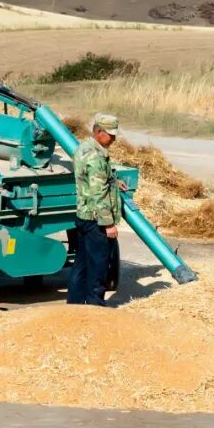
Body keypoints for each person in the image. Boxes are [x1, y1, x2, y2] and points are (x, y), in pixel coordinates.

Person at [70, 113, 126, 306]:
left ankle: (75, 306)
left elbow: (91, 180)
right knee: (98, 268)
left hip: (83, 215)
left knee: (81, 266)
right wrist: (108, 224)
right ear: (99, 132)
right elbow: (99, 193)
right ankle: (95, 308)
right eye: (111, 134)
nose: (114, 139)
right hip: (97, 222)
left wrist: (113, 181)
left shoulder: (83, 148)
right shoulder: (96, 156)